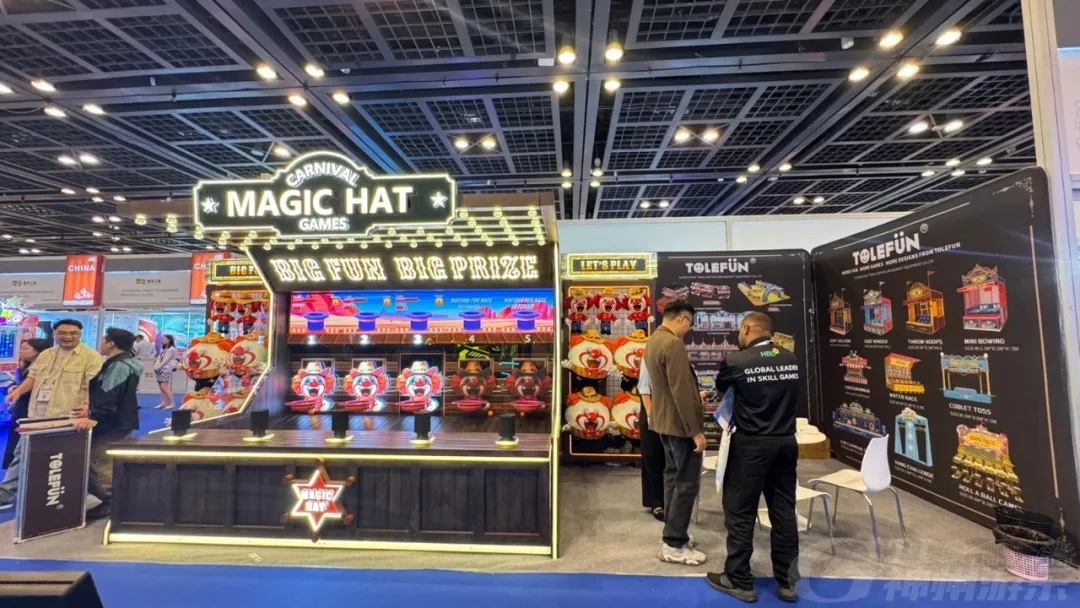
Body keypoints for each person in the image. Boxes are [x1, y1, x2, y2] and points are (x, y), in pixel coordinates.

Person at [706, 312, 801, 603]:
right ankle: (787, 582)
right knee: (783, 511)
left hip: (750, 446)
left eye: (739, 331)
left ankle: (739, 580)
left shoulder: (736, 361)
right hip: (785, 442)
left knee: (740, 512)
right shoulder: (790, 358)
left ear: (747, 328)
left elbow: (721, 388)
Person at [0, 319, 103, 510]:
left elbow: (94, 386)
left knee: (68, 459)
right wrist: (18, 392)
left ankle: (78, 496)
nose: (68, 337)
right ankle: (6, 493)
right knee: (22, 453)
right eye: (62, 333)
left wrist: (88, 408)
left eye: (73, 333)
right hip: (38, 415)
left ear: (79, 335)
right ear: (55, 334)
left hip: (68, 417)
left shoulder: (91, 357)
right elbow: (33, 377)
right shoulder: (46, 354)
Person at [642, 299, 707, 566]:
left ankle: (672, 534)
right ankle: (674, 543)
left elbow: (667, 388)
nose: (689, 329)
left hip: (663, 423)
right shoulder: (673, 343)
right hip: (680, 427)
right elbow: (680, 390)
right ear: (681, 318)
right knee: (686, 483)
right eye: (690, 323)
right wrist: (695, 432)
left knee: (671, 479)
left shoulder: (653, 341)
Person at [72, 327, 142, 519]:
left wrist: (95, 417)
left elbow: (110, 394)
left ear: (111, 344)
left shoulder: (119, 366)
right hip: (120, 420)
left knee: (98, 463)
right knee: (103, 462)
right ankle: (115, 500)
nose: (101, 343)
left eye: (103, 340)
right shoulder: (127, 362)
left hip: (112, 422)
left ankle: (113, 502)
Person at [2, 338, 52, 470]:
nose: (20, 352)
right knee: (14, 446)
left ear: (38, 352)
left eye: (25, 348)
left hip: (31, 413)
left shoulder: (45, 370)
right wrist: (13, 388)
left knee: (23, 449)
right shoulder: (24, 367)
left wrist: (19, 390)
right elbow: (18, 384)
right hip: (19, 412)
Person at [635, 363, 665, 521]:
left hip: (668, 409)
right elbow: (644, 389)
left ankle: (667, 499)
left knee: (667, 457)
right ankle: (656, 502)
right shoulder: (649, 357)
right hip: (652, 410)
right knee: (653, 456)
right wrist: (650, 414)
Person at [154, 334, 178, 410]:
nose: (161, 340)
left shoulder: (172, 349)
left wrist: (158, 367)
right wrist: (156, 366)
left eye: (163, 338)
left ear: (169, 340)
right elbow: (159, 358)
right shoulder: (164, 349)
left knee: (164, 386)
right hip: (159, 369)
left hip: (165, 369)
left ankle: (172, 403)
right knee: (161, 387)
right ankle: (163, 402)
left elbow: (166, 360)